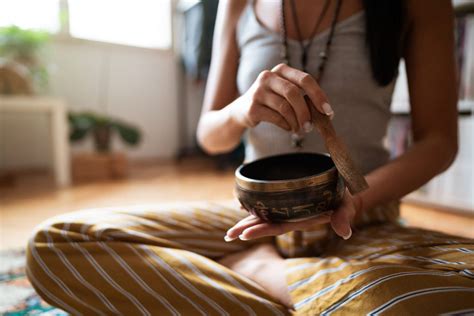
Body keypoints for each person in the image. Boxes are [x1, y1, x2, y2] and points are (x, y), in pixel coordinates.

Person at [27, 0, 474, 314]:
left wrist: (356, 199)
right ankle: (311, 290)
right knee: (58, 246)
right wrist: (239, 110)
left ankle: (268, 279)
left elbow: (438, 142)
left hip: (362, 216)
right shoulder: (238, 2)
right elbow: (211, 136)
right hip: (250, 223)